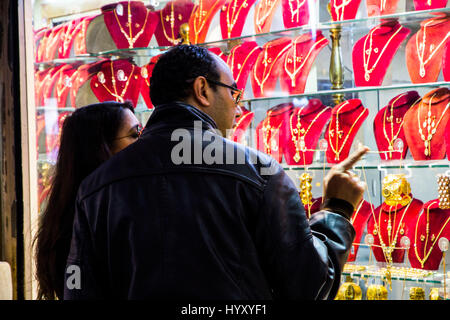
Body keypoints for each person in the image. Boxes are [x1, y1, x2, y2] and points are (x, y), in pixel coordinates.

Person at [64, 45, 368, 300]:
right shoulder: (259, 172)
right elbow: (309, 285)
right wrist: (336, 212)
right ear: (202, 90)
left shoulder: (97, 186)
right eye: (233, 92)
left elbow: (79, 290)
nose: (238, 106)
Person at [34, 101, 142, 300]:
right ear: (101, 148)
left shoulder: (65, 218)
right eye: (135, 135)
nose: (144, 143)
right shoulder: (99, 215)